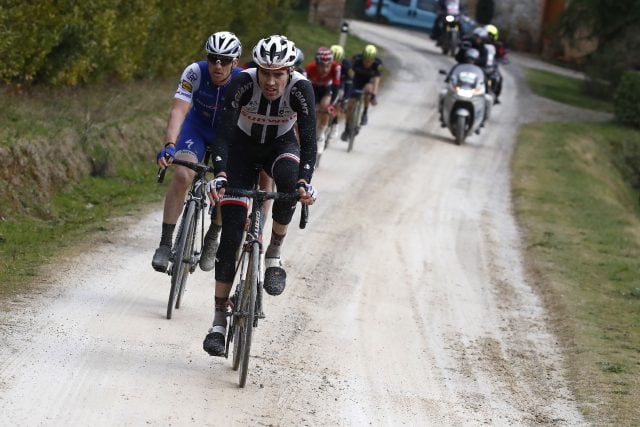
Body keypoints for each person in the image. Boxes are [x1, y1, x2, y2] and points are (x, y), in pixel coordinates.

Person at [202, 35, 318, 356]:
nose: (269, 81)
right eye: (264, 72)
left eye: (277, 74)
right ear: (256, 69)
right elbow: (223, 134)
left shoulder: (301, 88)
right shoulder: (242, 82)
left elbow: (308, 141)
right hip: (240, 151)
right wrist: (221, 174)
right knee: (232, 233)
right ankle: (218, 321)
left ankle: (274, 254)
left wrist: (305, 182)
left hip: (280, 148)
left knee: (290, 183)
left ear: (289, 71)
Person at [152, 31, 243, 273]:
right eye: (213, 58)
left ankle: (212, 237)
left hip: (228, 134)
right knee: (182, 175)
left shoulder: (243, 80)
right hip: (198, 129)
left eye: (225, 60)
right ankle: (165, 243)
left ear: (235, 62)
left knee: (226, 185)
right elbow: (179, 111)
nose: (218, 65)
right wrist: (170, 145)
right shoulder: (195, 72)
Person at [341, 44, 382, 141]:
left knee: (369, 89)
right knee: (350, 106)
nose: (367, 62)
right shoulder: (356, 60)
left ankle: (365, 112)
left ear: (373, 59)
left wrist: (374, 95)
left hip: (368, 82)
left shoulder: (377, 64)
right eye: (365, 60)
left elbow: (376, 80)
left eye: (370, 61)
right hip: (356, 81)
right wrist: (349, 91)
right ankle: (347, 128)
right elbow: (350, 75)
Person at [305, 47, 341, 155]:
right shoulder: (308, 69)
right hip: (311, 90)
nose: (325, 69)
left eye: (328, 66)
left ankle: (320, 135)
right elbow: (304, 90)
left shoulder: (336, 68)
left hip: (326, 90)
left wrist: (331, 105)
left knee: (326, 108)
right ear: (316, 63)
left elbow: (336, 87)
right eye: (322, 66)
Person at [329, 44, 354, 139]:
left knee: (339, 99)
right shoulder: (326, 61)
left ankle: (335, 123)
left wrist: (345, 98)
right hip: (329, 82)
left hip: (341, 83)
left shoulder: (347, 65)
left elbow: (349, 82)